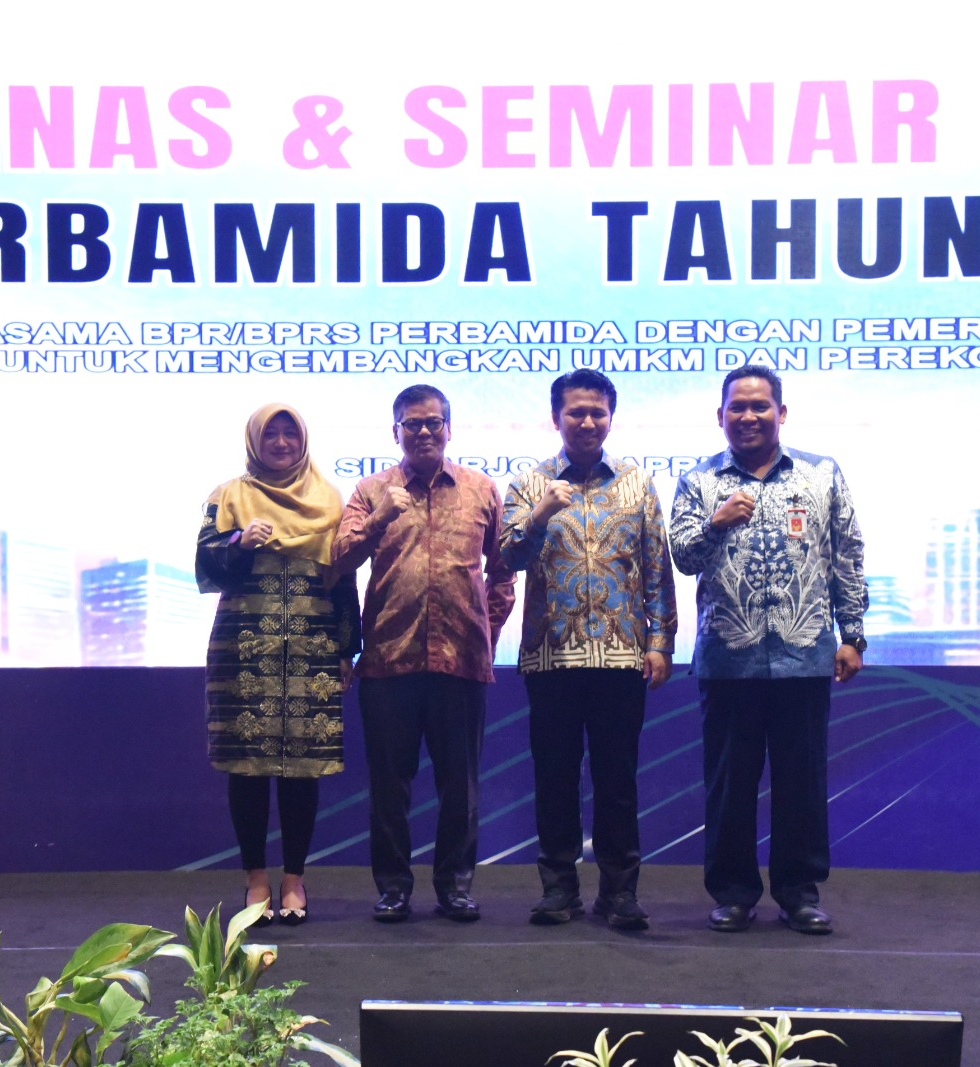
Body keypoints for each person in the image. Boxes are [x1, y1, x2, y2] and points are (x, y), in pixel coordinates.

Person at [668, 366, 867, 936]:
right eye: (737, 407)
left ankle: (799, 894)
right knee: (730, 786)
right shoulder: (699, 480)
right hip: (728, 659)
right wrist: (715, 522)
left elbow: (847, 553)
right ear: (720, 416)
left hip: (804, 654)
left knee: (801, 783)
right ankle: (733, 894)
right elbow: (682, 555)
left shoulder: (821, 474)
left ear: (781, 413)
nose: (748, 416)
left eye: (760, 406)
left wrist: (853, 634)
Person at [500, 369, 676, 931]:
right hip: (551, 656)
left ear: (610, 418)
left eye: (597, 412)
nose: (587, 422)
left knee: (617, 779)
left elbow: (656, 568)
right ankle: (558, 889)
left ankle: (620, 893)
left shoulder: (637, 484)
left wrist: (661, 641)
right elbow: (505, 558)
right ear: (557, 418)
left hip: (623, 657)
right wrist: (540, 514)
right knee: (554, 778)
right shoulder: (530, 483)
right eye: (576, 412)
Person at [333, 384, 516, 923]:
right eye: (412, 424)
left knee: (460, 786)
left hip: (461, 662)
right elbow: (339, 560)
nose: (424, 432)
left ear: (449, 429)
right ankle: (393, 888)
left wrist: (484, 633)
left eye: (433, 422)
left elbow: (504, 573)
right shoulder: (372, 491)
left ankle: (455, 887)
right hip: (389, 661)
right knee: (390, 786)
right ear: (395, 432)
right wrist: (378, 520)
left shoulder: (481, 489)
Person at [196, 404, 359, 927]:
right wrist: (239, 542)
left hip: (312, 646)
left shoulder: (329, 499)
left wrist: (345, 647)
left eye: (291, 433)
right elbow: (205, 564)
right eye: (272, 434)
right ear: (255, 441)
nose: (282, 442)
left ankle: (293, 879)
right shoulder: (228, 496)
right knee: (247, 766)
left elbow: (344, 577)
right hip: (244, 647)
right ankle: (255, 879)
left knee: (302, 768)